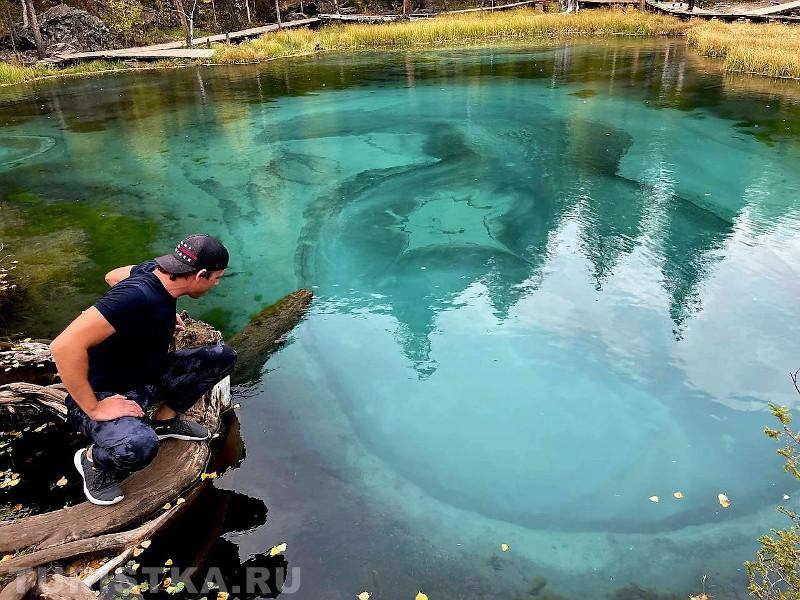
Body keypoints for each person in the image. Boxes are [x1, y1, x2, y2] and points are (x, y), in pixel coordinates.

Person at [50, 234, 237, 506]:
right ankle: (93, 461)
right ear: (200, 275)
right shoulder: (137, 296)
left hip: (148, 375)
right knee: (140, 447)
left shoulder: (158, 273)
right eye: (216, 278)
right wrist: (94, 408)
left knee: (222, 356)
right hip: (105, 394)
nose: (216, 284)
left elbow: (112, 275)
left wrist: (157, 316)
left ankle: (164, 422)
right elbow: (63, 346)